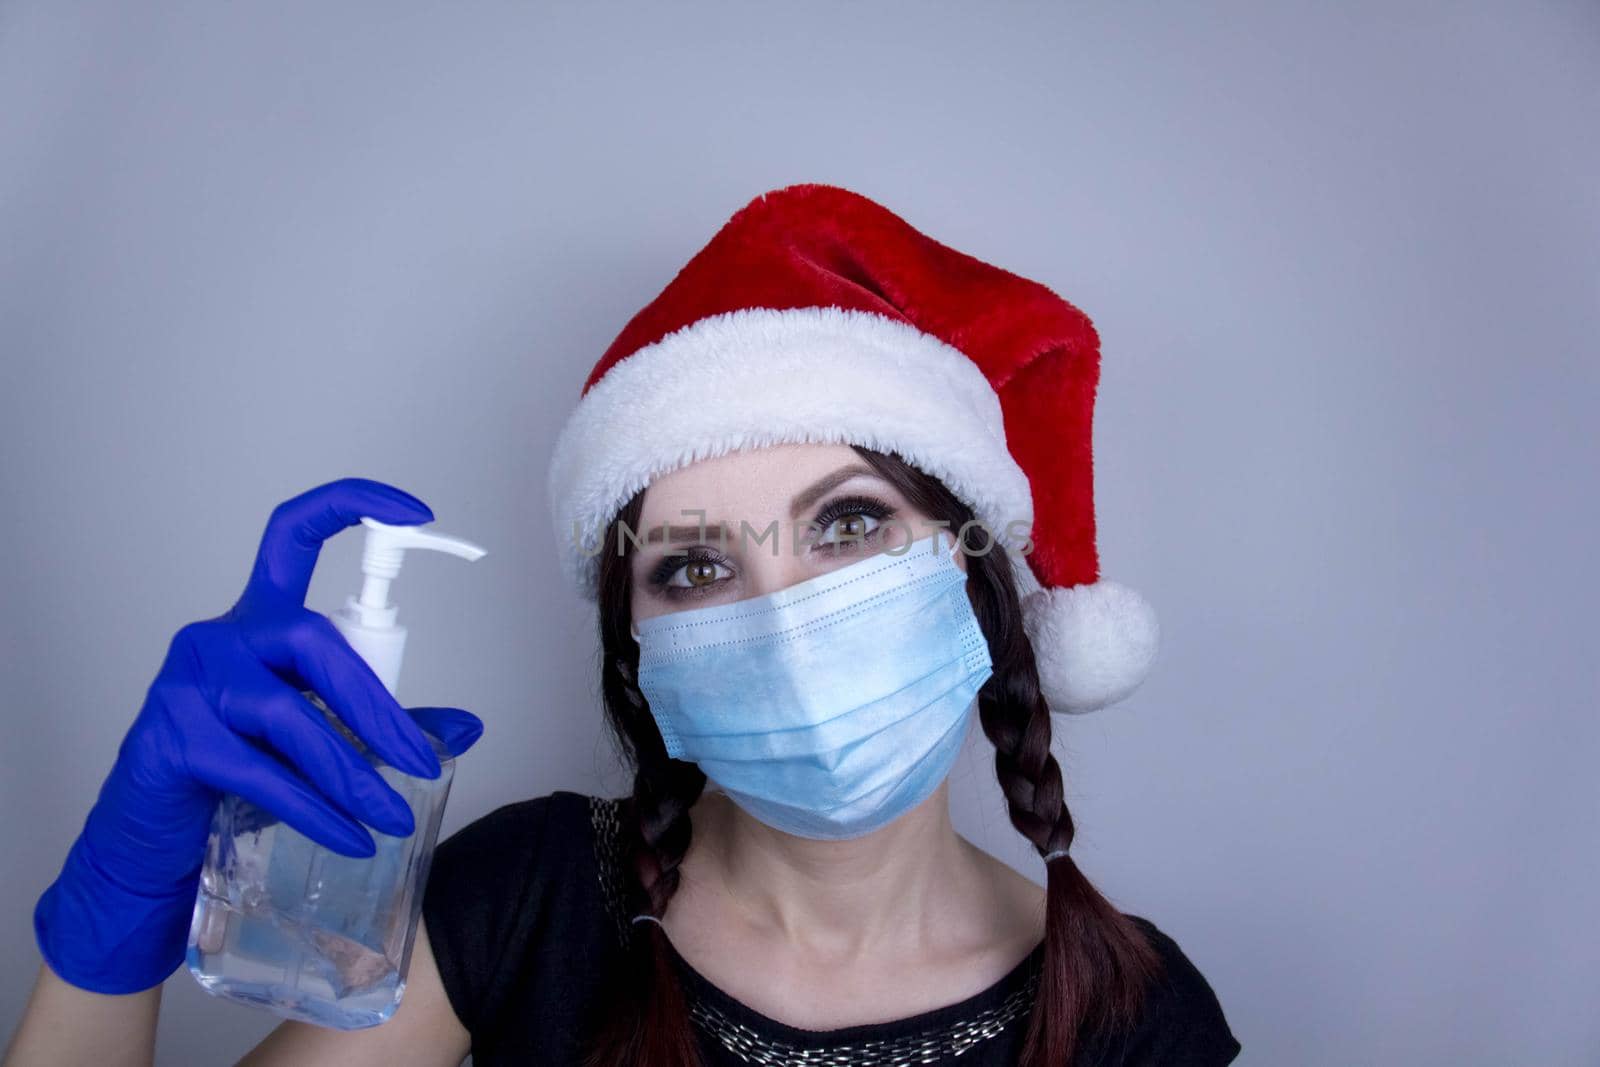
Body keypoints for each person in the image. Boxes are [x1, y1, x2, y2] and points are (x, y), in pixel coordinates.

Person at [6, 183, 1241, 1066]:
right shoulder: (526, 899)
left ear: (976, 571)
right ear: (637, 651)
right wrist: (108, 919)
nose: (785, 615)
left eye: (850, 524)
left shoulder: (1137, 1017)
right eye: (695, 564)